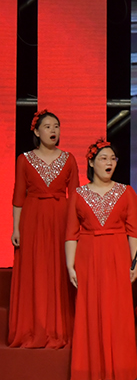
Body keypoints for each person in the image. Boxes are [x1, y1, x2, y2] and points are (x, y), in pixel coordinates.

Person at [65, 140, 137, 380]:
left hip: (117, 254)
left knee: (117, 312)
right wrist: (70, 265)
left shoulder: (126, 192)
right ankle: (90, 373)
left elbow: (134, 231)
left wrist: (134, 262)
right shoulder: (79, 194)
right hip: (88, 256)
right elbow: (71, 233)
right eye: (103, 158)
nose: (109, 163)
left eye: (112, 159)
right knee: (90, 311)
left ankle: (118, 373)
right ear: (91, 162)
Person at [9, 110, 78, 349]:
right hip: (33, 219)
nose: (53, 130)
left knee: (58, 269)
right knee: (35, 270)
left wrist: (75, 231)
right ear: (37, 132)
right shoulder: (24, 159)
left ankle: (58, 328)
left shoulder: (68, 159)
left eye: (56, 126)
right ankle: (32, 327)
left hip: (60, 219)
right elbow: (18, 196)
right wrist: (15, 228)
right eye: (47, 126)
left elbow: (75, 197)